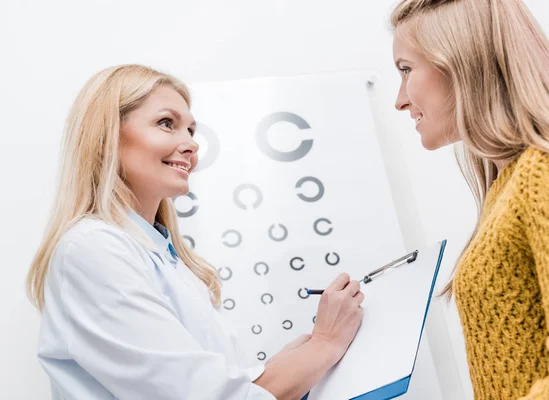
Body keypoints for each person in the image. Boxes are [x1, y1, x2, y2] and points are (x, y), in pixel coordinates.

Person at [26, 64, 365, 400]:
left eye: (190, 130)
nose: (190, 144)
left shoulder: (166, 259)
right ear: (105, 139)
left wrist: (288, 364)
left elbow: (217, 383)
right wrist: (325, 343)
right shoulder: (93, 249)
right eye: (166, 123)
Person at [390, 0, 549, 399]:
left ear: (461, 64)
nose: (399, 100)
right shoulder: (509, 185)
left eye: (405, 70)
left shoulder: (545, 174)